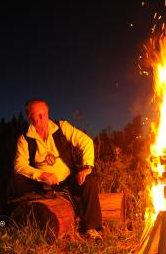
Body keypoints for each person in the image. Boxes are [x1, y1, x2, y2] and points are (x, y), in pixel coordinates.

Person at [7, 99, 102, 240]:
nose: (41, 118)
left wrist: (87, 167)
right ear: (29, 117)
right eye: (36, 115)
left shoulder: (62, 127)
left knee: (90, 180)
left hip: (68, 180)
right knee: (15, 181)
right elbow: (19, 165)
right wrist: (42, 174)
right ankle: (6, 223)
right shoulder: (25, 139)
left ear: (48, 112)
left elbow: (86, 141)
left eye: (44, 114)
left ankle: (91, 228)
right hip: (42, 184)